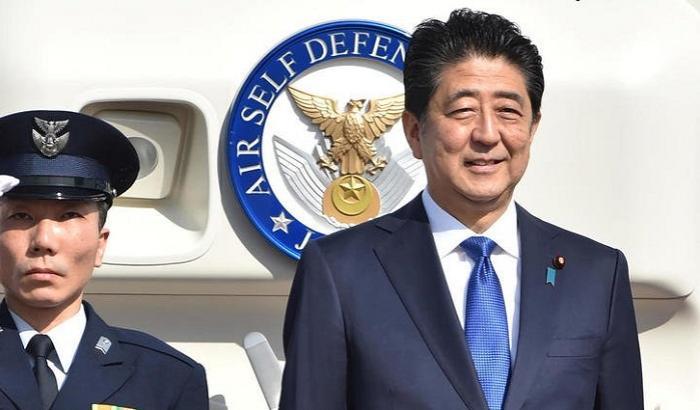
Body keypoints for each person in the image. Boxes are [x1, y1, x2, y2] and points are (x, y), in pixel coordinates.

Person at [279, 8, 643, 410]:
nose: (487, 134)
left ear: (532, 127)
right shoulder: (340, 272)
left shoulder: (596, 274)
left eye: (508, 111)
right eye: (462, 110)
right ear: (415, 131)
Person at [0, 110, 209, 409]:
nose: (44, 241)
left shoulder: (167, 379)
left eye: (69, 215)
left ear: (101, 244)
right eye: (21, 216)